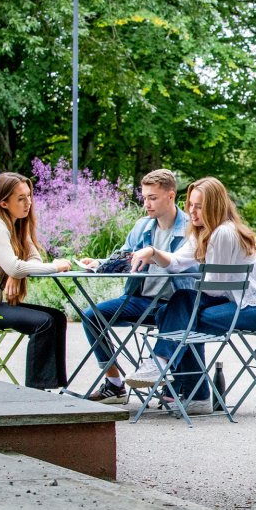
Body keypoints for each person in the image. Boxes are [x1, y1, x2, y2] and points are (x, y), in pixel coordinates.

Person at [128, 177, 256, 415]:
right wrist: (153, 252)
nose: (192, 211)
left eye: (199, 206)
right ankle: (188, 388)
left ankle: (172, 374)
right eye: (190, 204)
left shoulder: (223, 233)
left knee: (180, 313)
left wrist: (191, 293)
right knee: (175, 307)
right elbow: (177, 262)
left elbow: (215, 289)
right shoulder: (202, 232)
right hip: (235, 302)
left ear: (214, 206)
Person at [78, 169, 196, 403]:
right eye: (144, 198)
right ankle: (114, 384)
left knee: (173, 316)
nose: (147, 204)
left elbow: (190, 268)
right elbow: (124, 257)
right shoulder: (142, 226)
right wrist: (99, 263)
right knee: (92, 316)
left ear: (171, 196)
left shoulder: (188, 228)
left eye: (153, 198)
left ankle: (178, 384)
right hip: (140, 299)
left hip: (173, 303)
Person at [0, 172, 71, 389]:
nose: (28, 203)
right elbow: (15, 265)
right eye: (21, 199)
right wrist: (55, 266)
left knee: (57, 317)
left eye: (29, 196)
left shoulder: (15, 225)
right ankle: (36, 391)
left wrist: (14, 273)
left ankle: (51, 386)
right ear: (3, 202)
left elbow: (32, 260)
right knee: (44, 322)